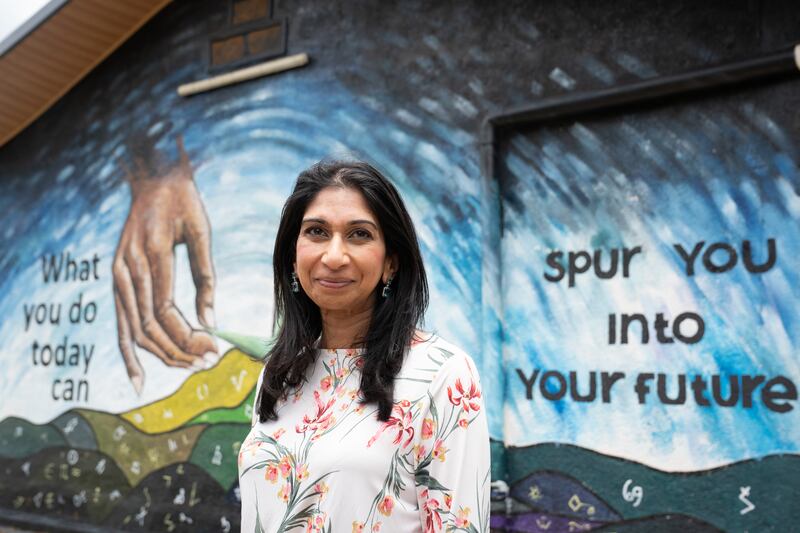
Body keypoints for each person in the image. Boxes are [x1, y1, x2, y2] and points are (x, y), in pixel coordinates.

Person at [238, 159, 490, 532]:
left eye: (359, 234)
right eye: (317, 232)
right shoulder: (280, 375)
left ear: (391, 263)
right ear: (293, 256)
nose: (334, 256)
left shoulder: (442, 375)